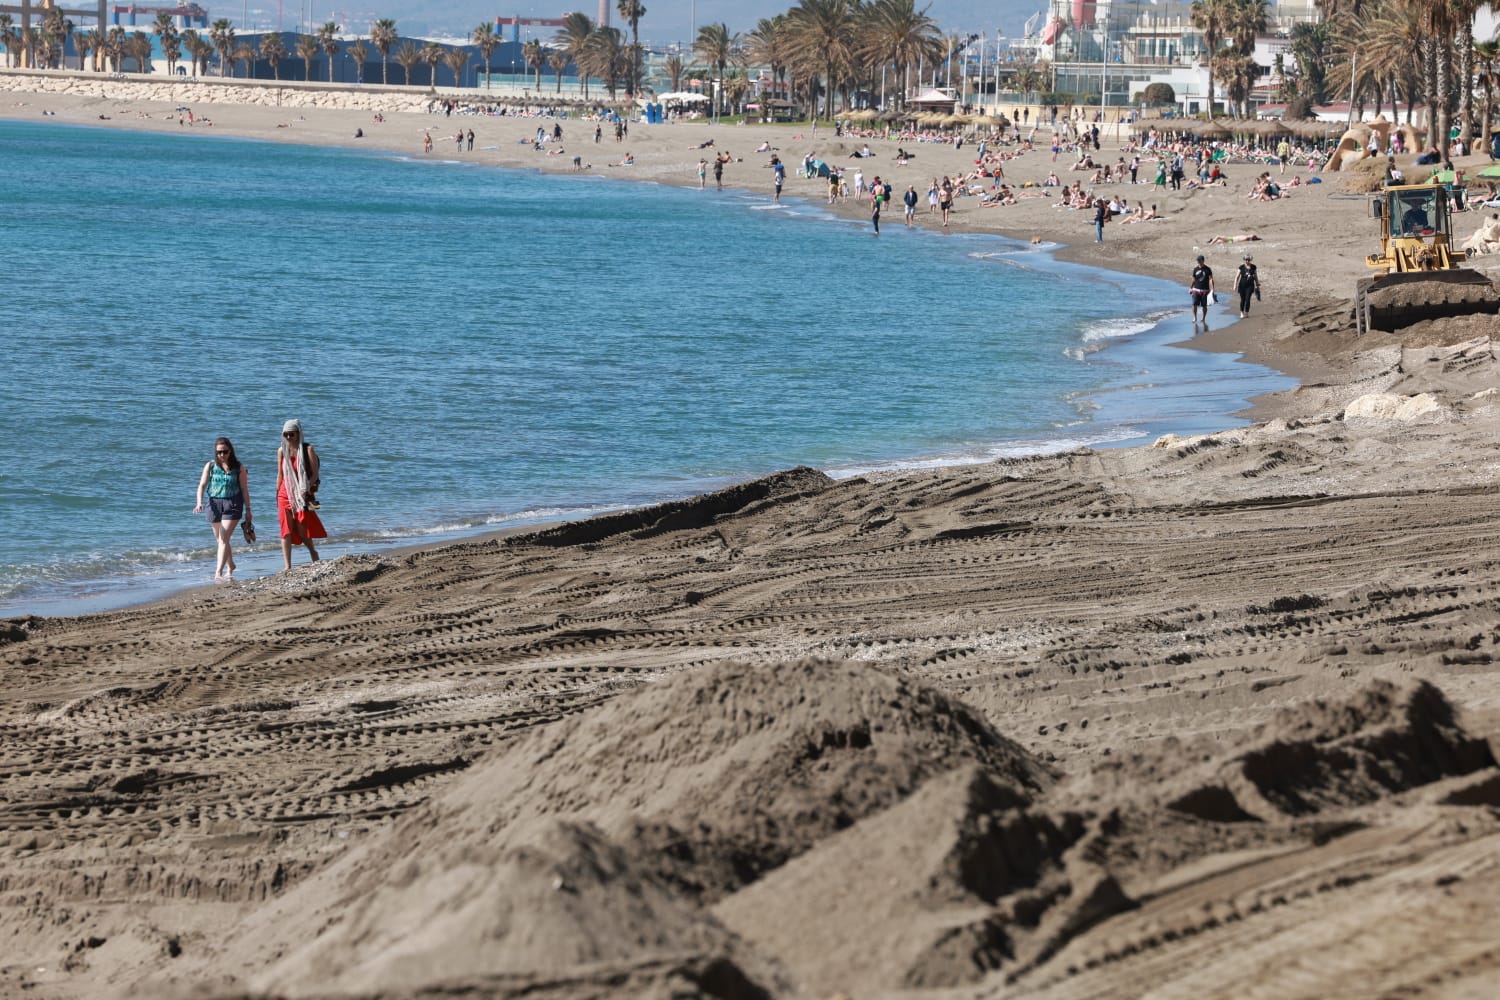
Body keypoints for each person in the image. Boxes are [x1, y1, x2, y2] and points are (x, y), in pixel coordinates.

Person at [194, 437, 251, 581]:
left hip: (233, 503)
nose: (222, 455)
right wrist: (199, 502)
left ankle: (218, 572)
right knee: (220, 539)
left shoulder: (239, 468)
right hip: (214, 504)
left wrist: (248, 510)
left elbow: (244, 489)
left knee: (224, 538)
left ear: (230, 451)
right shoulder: (211, 466)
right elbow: (202, 485)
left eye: (225, 452)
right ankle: (231, 565)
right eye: (218, 452)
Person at [276, 419, 326, 571]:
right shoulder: (281, 451)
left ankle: (313, 551)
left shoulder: (308, 449)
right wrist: (277, 493)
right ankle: (287, 566)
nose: (288, 437)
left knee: (303, 527)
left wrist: (305, 487)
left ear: (298, 433)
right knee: (285, 529)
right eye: (286, 434)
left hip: (304, 493)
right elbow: (280, 475)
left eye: (291, 434)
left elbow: (315, 474)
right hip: (285, 493)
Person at [1190, 254, 1216, 325]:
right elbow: (1193, 279)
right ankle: (1195, 317)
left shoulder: (1208, 269)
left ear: (1203, 261)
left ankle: (1203, 318)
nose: (1198, 262)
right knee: (1194, 304)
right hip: (1196, 289)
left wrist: (1212, 289)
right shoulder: (1195, 269)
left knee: (1204, 305)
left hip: (1205, 290)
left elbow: (1211, 279)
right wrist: (1191, 288)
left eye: (1200, 260)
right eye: (1197, 260)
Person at [1233, 252, 1260, 318]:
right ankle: (1241, 313)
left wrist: (1257, 285)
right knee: (1243, 299)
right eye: (1246, 260)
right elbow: (1237, 277)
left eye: (1248, 260)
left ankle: (1247, 312)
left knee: (1247, 299)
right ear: (1244, 260)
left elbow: (1255, 277)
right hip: (1242, 286)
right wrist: (1235, 285)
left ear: (1250, 260)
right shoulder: (1241, 267)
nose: (1247, 261)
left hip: (1250, 286)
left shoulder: (1253, 267)